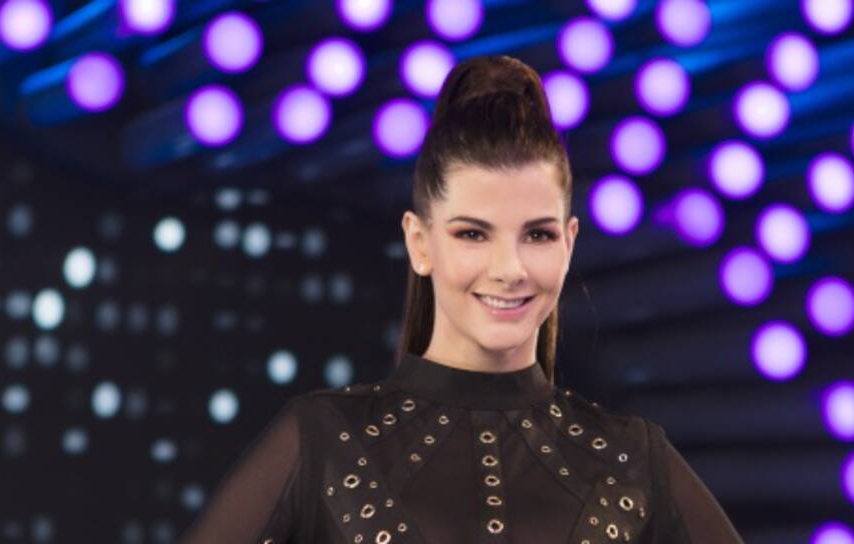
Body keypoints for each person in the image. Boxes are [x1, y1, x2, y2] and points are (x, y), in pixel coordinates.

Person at [178, 55, 742, 543]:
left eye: (538, 235)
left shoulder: (630, 457)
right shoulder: (323, 440)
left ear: (569, 244)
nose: (509, 269)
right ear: (419, 243)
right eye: (473, 233)